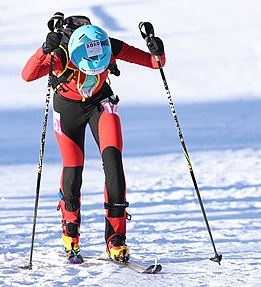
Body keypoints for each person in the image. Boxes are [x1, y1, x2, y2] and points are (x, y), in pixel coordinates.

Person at [21, 13, 167, 263]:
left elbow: (155, 63)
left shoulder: (109, 46)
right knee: (73, 168)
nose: (97, 66)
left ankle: (116, 240)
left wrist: (157, 50)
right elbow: (27, 75)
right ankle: (70, 233)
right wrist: (44, 50)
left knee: (114, 165)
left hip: (100, 103)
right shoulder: (63, 55)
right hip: (67, 108)